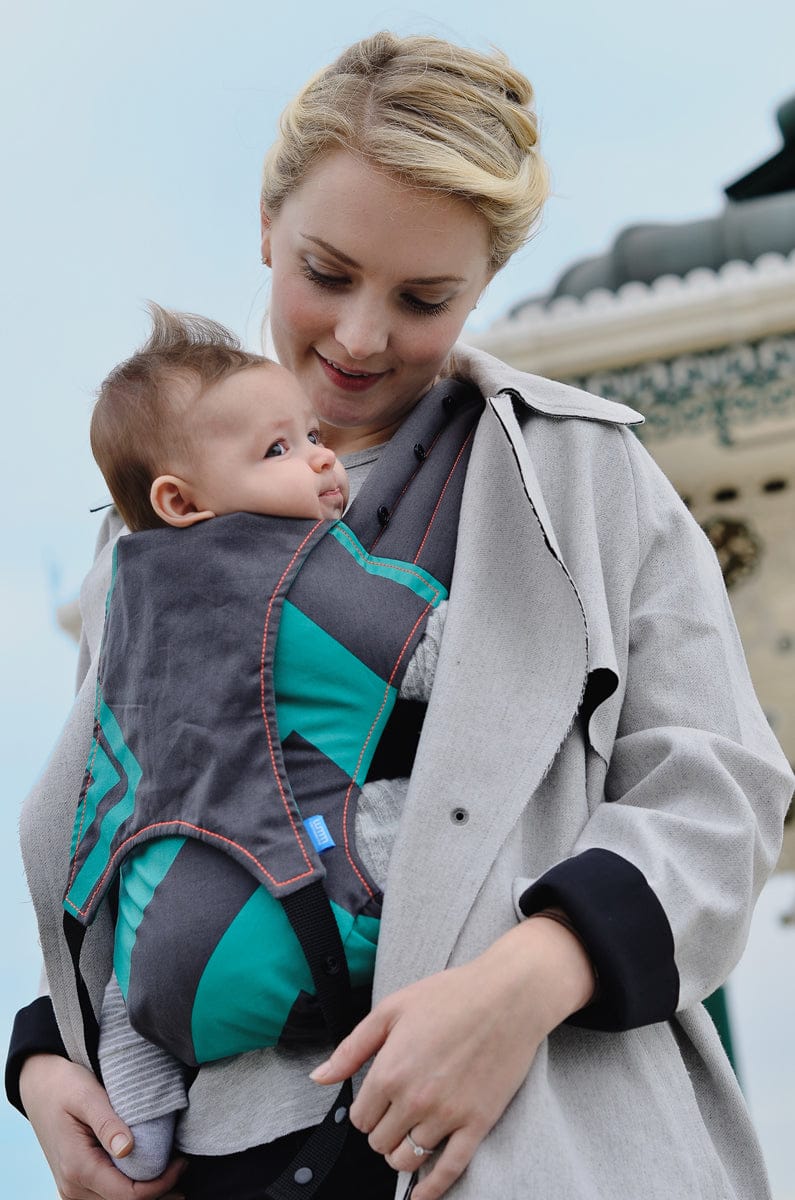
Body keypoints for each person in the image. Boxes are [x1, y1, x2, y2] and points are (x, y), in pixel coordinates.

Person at [7, 29, 793, 1200]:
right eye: (326, 273)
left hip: (528, 1139)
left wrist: (525, 981)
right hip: (217, 1156)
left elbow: (720, 793)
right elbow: (136, 813)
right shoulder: (149, 533)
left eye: (425, 297)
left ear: (487, 281)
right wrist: (45, 1057)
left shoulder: (582, 474)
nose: (361, 336)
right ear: (266, 226)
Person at [78, 303, 449, 1183]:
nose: (320, 458)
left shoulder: (128, 599)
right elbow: (442, 657)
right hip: (303, 911)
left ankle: (139, 1113)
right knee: (441, 814)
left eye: (312, 436)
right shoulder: (299, 563)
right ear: (182, 500)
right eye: (278, 449)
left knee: (139, 934)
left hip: (159, 946)